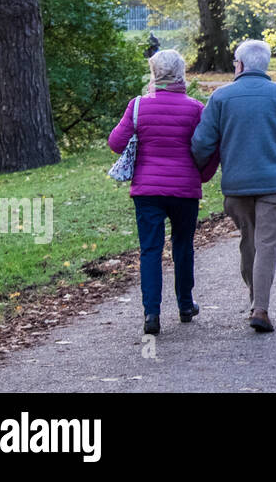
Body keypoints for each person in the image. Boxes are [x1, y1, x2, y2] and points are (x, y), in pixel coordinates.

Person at [191, 39, 276, 333]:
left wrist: (199, 167)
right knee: (266, 245)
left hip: (237, 187)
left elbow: (201, 143)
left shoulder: (221, 98)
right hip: (273, 186)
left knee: (249, 242)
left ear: (240, 65)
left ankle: (255, 302)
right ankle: (260, 308)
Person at [108, 49, 217, 336]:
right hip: (184, 190)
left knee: (151, 250)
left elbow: (116, 143)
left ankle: (151, 314)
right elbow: (209, 146)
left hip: (148, 190)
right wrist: (201, 176)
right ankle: (184, 305)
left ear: (154, 73)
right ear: (181, 73)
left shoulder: (139, 106)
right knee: (183, 246)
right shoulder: (195, 108)